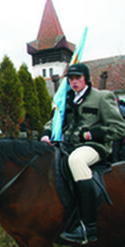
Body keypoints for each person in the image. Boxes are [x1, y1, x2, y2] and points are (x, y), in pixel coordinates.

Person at [40, 63, 125, 244]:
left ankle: (88, 227)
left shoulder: (102, 97)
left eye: (78, 78)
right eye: (71, 79)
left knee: (77, 161)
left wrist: (93, 134)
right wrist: (46, 134)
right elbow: (55, 120)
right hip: (68, 145)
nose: (74, 82)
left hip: (94, 147)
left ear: (86, 78)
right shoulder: (66, 99)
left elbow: (119, 128)